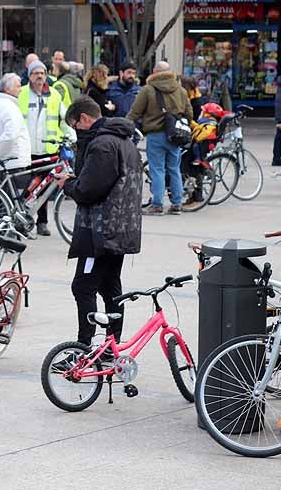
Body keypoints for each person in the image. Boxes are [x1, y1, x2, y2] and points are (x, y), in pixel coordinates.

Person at [56, 95, 142, 351]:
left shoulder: (102, 145)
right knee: (110, 288)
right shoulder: (124, 141)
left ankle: (84, 349)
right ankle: (110, 347)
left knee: (83, 286)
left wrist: (68, 184)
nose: (76, 134)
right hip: (121, 228)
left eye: (75, 126)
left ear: (84, 118)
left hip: (101, 232)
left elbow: (88, 190)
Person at [126, 61, 192, 215]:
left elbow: (135, 112)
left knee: (157, 170)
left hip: (155, 135)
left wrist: (123, 125)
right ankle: (177, 204)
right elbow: (189, 113)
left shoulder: (148, 90)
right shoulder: (181, 90)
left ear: (155, 72)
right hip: (175, 136)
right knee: (174, 169)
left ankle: (157, 205)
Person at [17, 60, 67, 235]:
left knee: (43, 188)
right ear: (30, 76)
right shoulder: (21, 93)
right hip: (25, 149)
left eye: (42, 73)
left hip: (47, 149)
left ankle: (42, 222)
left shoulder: (54, 95)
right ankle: (21, 219)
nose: (39, 76)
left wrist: (71, 135)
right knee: (26, 187)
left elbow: (65, 118)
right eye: (35, 73)